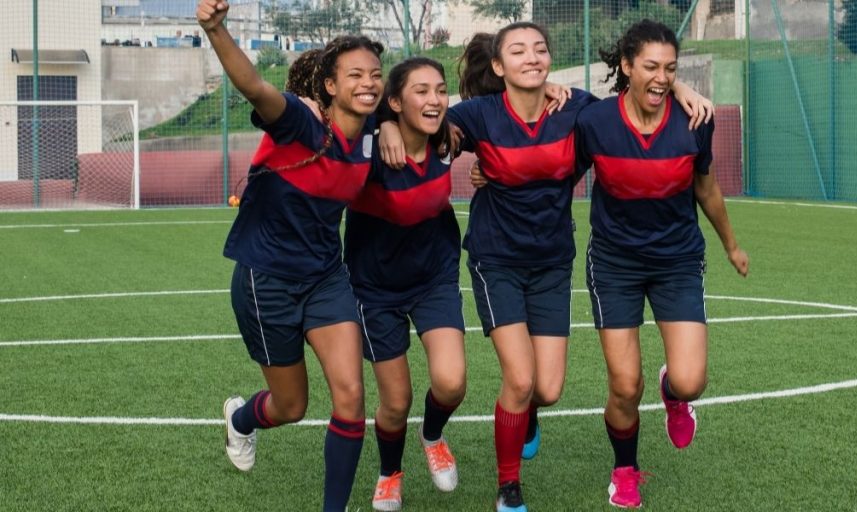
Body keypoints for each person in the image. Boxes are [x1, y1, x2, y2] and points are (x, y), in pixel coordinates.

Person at [381, 21, 713, 512]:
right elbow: (420, 115)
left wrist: (677, 83)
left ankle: (528, 415)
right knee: (520, 380)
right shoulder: (478, 114)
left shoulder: (575, 107)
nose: (532, 57)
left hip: (554, 261)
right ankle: (508, 487)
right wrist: (387, 124)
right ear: (499, 66)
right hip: (497, 261)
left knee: (548, 388)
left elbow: (638, 96)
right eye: (518, 51)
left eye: (540, 49)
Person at [197, 2, 383, 510]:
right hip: (267, 280)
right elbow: (254, 86)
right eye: (355, 75)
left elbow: (432, 109)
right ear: (330, 85)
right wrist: (216, 29)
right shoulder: (299, 122)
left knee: (351, 399)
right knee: (292, 405)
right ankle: (240, 419)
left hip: (327, 278)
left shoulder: (374, 128)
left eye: (375, 74)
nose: (369, 83)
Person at [574, 19, 749, 508]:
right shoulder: (596, 123)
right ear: (626, 67)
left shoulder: (695, 120)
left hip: (676, 260)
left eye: (671, 69)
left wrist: (731, 245)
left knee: (692, 380)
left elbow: (707, 188)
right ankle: (625, 470)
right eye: (650, 66)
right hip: (614, 263)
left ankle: (672, 395)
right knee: (624, 385)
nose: (660, 77)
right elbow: (555, 170)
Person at [343, 57, 465, 512]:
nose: (433, 99)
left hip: (432, 279)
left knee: (451, 384)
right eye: (420, 91)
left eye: (439, 89)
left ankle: (432, 435)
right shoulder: (368, 150)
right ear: (396, 100)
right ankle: (389, 472)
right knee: (395, 402)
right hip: (374, 291)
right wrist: (382, 124)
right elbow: (332, 110)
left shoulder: (448, 139)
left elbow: (498, 104)